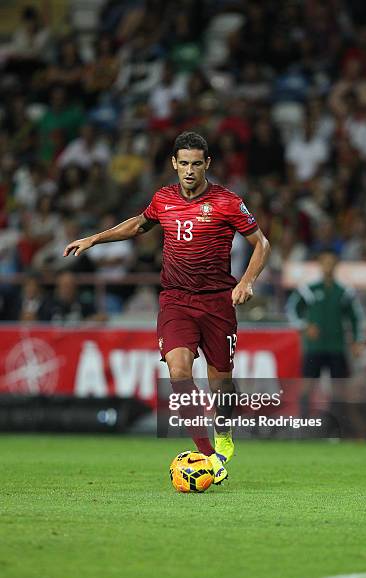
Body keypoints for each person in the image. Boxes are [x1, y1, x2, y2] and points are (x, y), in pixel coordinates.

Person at [63, 131, 270, 484]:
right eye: (183, 163)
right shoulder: (163, 199)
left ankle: (224, 434)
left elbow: (261, 244)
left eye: (196, 164)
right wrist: (94, 239)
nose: (189, 171)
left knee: (220, 380)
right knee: (178, 372)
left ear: (208, 164)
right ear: (174, 163)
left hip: (218, 301)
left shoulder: (227, 202)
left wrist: (246, 281)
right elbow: (139, 225)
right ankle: (208, 456)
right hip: (175, 299)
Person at [286, 249, 364, 420]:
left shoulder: (344, 291)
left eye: (331, 262)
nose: (328, 265)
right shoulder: (309, 289)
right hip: (315, 346)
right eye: (325, 262)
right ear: (320, 264)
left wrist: (358, 340)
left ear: (336, 264)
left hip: (336, 345)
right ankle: (304, 424)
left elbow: (356, 318)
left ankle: (337, 426)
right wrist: (305, 327)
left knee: (339, 389)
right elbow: (292, 309)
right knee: (306, 386)